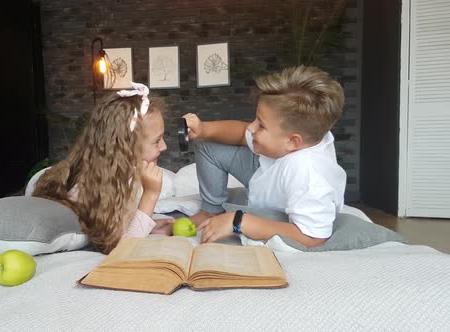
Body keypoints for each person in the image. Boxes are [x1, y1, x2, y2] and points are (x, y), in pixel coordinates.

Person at [184, 66, 346, 247]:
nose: (251, 128)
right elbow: (240, 133)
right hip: (264, 168)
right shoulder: (294, 137)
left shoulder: (309, 174)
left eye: (261, 125)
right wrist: (203, 129)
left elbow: (313, 237)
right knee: (207, 143)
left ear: (293, 142)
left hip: (281, 180)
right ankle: (211, 211)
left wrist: (239, 222)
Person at [32, 83, 171, 254]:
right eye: (157, 141)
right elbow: (121, 249)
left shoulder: (119, 171)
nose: (164, 147)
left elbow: (119, 221)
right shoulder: (94, 184)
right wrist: (151, 195)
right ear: (127, 146)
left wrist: (149, 224)